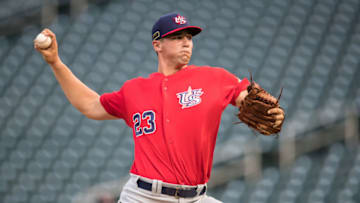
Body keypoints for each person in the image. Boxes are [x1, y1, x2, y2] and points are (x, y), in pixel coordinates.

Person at [35, 12, 284, 203]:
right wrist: (56, 62)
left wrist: (268, 105)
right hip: (143, 196)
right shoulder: (134, 90)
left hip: (195, 197)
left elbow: (246, 95)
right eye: (177, 37)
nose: (186, 43)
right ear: (157, 45)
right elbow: (90, 105)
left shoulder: (214, 78)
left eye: (189, 37)